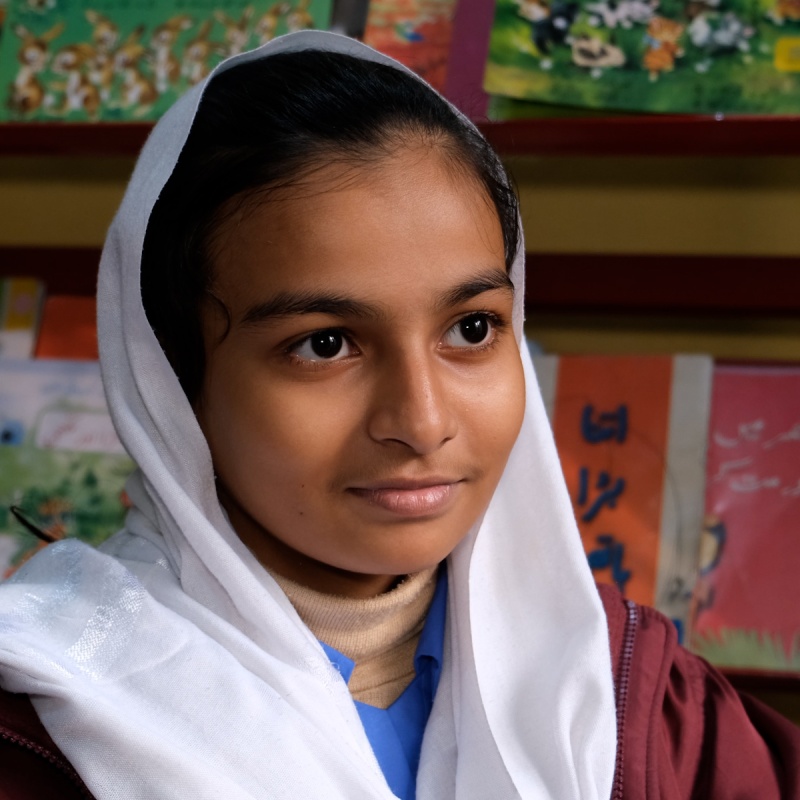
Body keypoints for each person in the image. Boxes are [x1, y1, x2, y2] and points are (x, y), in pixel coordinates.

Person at [0, 31, 798, 800]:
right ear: (170, 381)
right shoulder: (53, 724)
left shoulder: (630, 697)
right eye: (324, 344)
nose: (422, 421)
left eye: (472, 329)